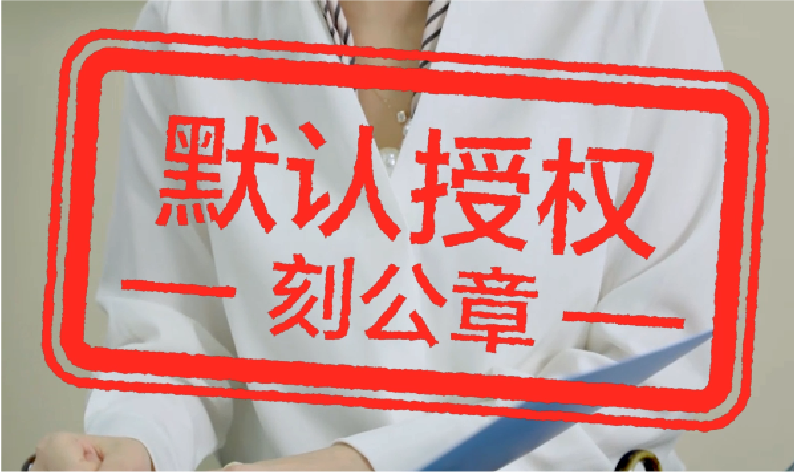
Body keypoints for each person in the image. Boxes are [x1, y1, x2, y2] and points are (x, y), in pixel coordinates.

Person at [28, 0, 728, 471]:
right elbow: (173, 337)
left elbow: (654, 362)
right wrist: (133, 446)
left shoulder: (639, 14)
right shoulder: (189, 18)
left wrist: (365, 463)